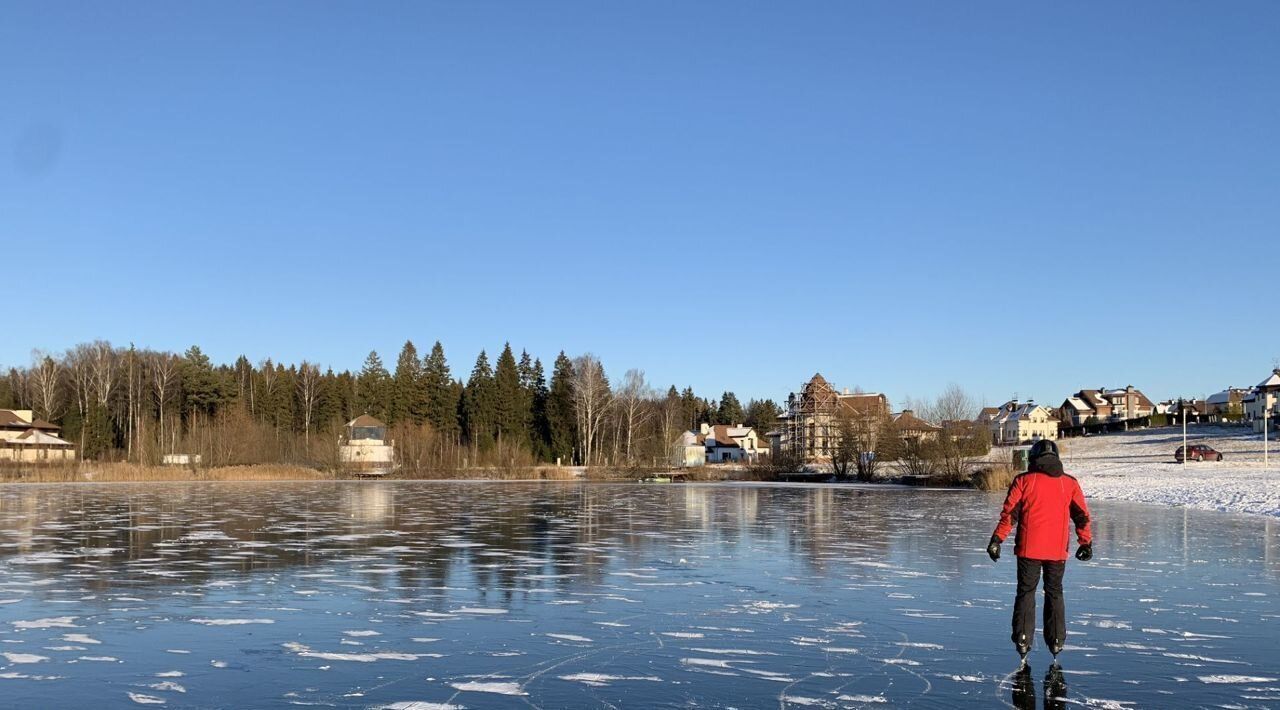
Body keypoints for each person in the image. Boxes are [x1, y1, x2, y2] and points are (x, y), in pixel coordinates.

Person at [987, 438, 1093, 665]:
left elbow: (1009, 514)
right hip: (1056, 551)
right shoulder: (1069, 483)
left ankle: (1023, 639)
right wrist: (1085, 542)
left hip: (1028, 550)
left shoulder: (1023, 481)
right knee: (1055, 592)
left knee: (1026, 592)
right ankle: (1056, 640)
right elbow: (1081, 515)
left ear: (1033, 458)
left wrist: (997, 539)